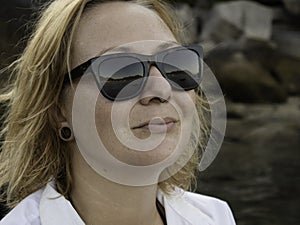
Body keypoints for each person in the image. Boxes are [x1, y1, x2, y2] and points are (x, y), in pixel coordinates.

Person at [0, 0, 236, 224]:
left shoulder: (215, 217)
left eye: (175, 64)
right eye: (122, 72)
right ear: (58, 111)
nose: (162, 89)